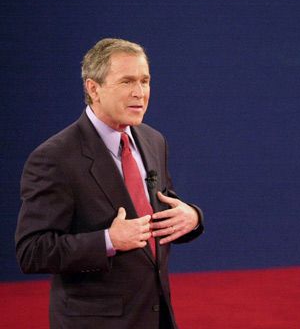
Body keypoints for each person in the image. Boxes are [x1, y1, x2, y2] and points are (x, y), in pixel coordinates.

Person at [15, 38, 204, 329]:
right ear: (94, 89)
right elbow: (32, 251)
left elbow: (163, 208)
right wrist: (108, 241)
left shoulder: (153, 140)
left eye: (145, 80)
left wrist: (191, 217)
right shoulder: (54, 157)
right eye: (127, 81)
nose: (139, 93)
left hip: (156, 316)